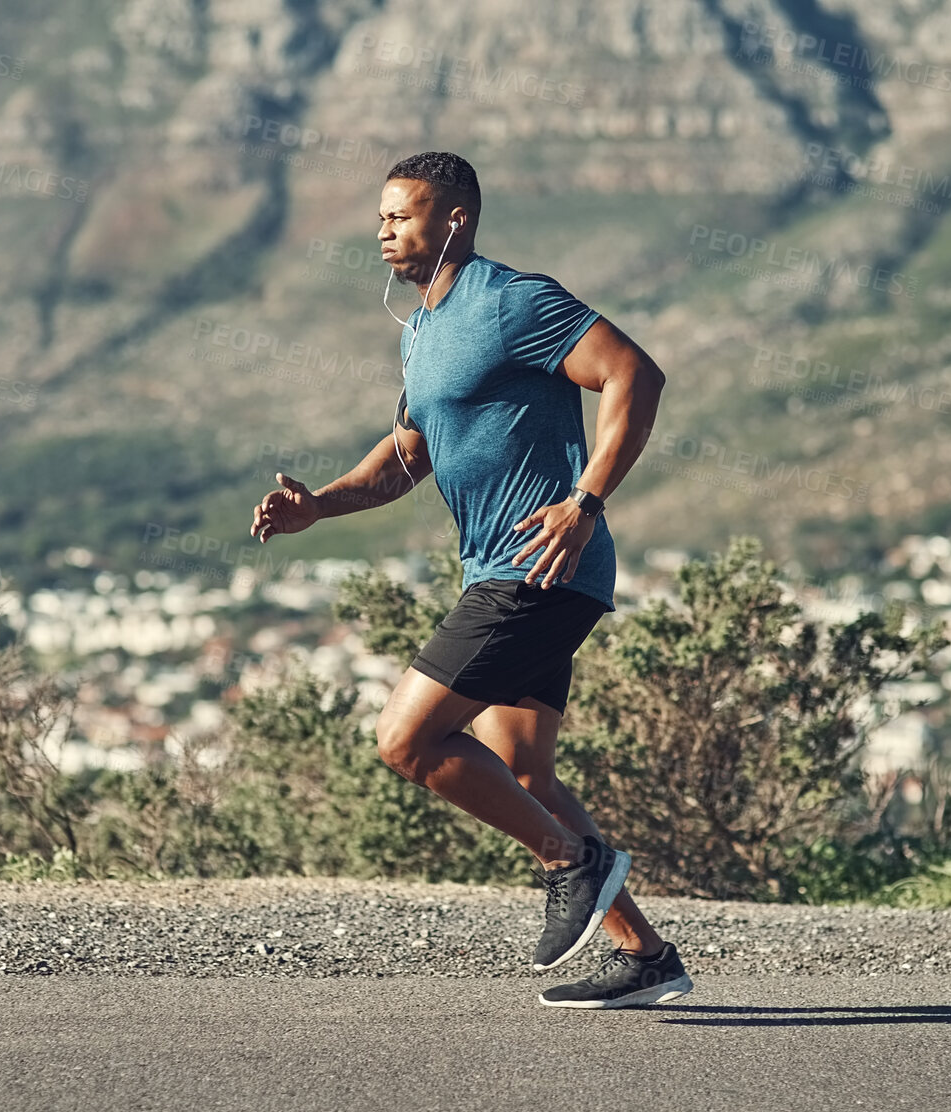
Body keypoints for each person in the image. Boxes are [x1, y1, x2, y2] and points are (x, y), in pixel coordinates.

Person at [249, 151, 691, 1009]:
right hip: (499, 569)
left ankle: (571, 860)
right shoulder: (420, 330)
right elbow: (407, 456)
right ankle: (645, 956)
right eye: (378, 215)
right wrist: (320, 506)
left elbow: (634, 373)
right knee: (522, 770)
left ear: (452, 218)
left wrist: (585, 499)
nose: (382, 228)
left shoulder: (512, 302)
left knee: (405, 741)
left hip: (539, 567)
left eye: (400, 214)